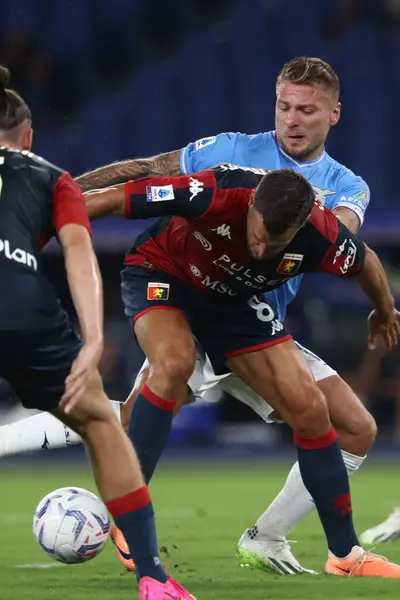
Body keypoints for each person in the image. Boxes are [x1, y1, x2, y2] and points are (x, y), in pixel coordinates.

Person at [74, 56, 377, 575]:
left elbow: (335, 241)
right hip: (189, 303)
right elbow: (148, 172)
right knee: (138, 411)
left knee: (354, 427)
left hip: (254, 322)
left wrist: (384, 305)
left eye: (307, 110)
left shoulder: (346, 186)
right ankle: (107, 508)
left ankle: (270, 539)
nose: (293, 119)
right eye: (284, 106)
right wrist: (60, 194)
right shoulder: (229, 151)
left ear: (335, 115)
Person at [0, 65, 194, 600]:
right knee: (104, 424)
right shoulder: (50, 178)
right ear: (29, 137)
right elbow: (79, 250)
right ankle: (153, 578)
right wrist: (92, 340)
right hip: (20, 307)